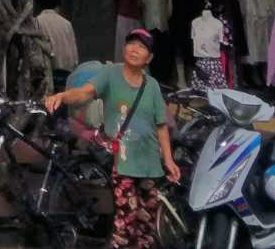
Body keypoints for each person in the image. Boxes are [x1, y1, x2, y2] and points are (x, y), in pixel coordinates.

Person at [45, 27, 180, 249]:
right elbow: (85, 92)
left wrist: (168, 159)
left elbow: (161, 126)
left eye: (142, 46)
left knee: (145, 229)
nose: (134, 49)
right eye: (131, 44)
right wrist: (62, 95)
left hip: (150, 163)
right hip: (125, 161)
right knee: (125, 225)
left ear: (150, 57)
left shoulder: (152, 86)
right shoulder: (110, 75)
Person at [35, 0, 78, 87]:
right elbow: (75, 57)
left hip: (44, 77)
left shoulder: (36, 22)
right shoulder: (67, 24)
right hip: (67, 77)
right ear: (58, 6)